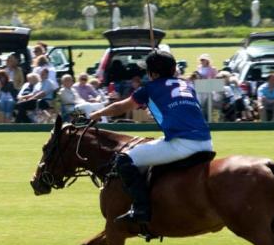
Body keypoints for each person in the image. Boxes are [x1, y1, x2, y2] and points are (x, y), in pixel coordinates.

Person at [87, 50, 213, 225]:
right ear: (174, 69)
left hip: (182, 144)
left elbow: (120, 107)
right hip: (206, 142)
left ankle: (140, 209)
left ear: (152, 73)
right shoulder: (187, 85)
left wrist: (95, 115)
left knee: (124, 160)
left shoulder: (149, 89)